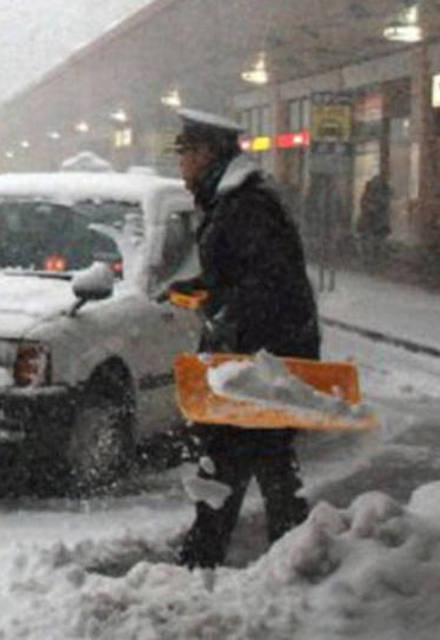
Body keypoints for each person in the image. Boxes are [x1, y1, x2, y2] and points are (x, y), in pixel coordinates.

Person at [163, 108, 319, 569]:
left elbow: (269, 284)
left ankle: (204, 562)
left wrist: (223, 311)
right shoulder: (231, 201)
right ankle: (297, 561)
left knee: (231, 458)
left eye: (184, 153)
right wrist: (202, 290)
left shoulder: (244, 206)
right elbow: (241, 275)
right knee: (265, 461)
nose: (181, 165)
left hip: (260, 358)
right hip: (259, 356)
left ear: (207, 153)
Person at [356, 173, 391, 267]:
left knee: (373, 244)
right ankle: (373, 261)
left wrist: (371, 208)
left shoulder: (377, 195)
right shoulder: (381, 195)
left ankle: (372, 261)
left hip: (374, 224)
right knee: (373, 244)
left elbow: (367, 207)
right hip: (374, 224)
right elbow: (366, 206)